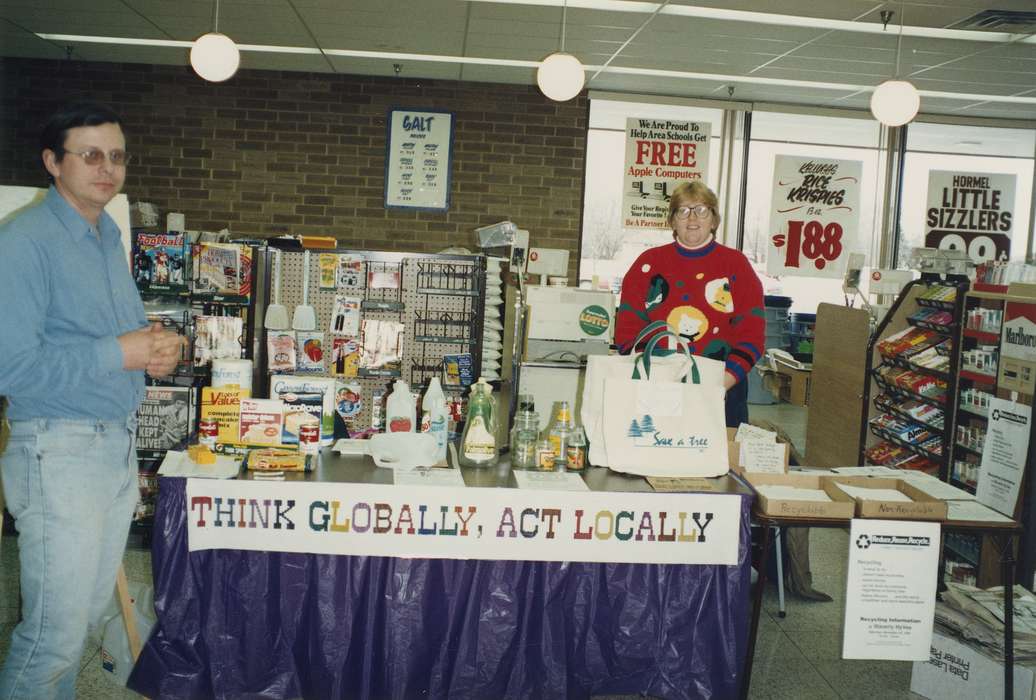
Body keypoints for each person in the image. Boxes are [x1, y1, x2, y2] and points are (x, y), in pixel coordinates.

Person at [0, 101, 184, 699]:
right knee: (52, 634)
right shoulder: (25, 242)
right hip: (59, 450)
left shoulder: (106, 234)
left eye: (117, 155)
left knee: (76, 627)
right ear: (53, 163)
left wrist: (158, 349)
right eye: (91, 154)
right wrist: (120, 353)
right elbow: (12, 367)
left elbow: (116, 337)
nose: (107, 168)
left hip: (111, 446)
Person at [614, 181, 765, 428]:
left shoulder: (736, 265)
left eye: (702, 210)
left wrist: (720, 385)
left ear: (714, 220)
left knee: (718, 465)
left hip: (723, 389)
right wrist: (656, 379)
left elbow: (752, 335)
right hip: (658, 387)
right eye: (683, 210)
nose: (692, 217)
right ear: (672, 221)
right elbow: (628, 331)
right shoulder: (648, 264)